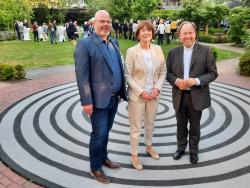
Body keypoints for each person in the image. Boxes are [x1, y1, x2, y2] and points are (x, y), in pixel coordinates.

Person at [74, 10, 127, 183]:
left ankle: (103, 158)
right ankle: (95, 168)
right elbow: (82, 76)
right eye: (101, 21)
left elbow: (117, 68)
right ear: (94, 23)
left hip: (113, 98)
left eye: (108, 21)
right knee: (98, 134)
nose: (105, 24)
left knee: (106, 131)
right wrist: (86, 101)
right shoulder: (85, 44)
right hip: (97, 101)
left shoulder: (114, 42)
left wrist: (119, 91)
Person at [166, 21, 218, 164]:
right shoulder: (173, 53)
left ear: (195, 34)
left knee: (195, 127)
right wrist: (176, 81)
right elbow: (168, 74)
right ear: (179, 35)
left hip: (197, 96)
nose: (187, 36)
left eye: (190, 33)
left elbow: (213, 73)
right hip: (180, 96)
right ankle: (181, 148)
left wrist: (196, 81)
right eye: (184, 33)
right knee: (180, 126)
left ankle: (194, 151)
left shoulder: (206, 51)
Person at [125, 20, 166, 170]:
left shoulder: (158, 49)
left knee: (150, 125)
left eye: (149, 30)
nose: (146, 32)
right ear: (138, 34)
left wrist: (157, 88)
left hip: (154, 95)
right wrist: (141, 91)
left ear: (152, 33)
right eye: (143, 30)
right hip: (138, 96)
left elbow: (163, 71)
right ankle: (134, 156)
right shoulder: (131, 52)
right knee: (136, 128)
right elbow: (127, 76)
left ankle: (149, 147)